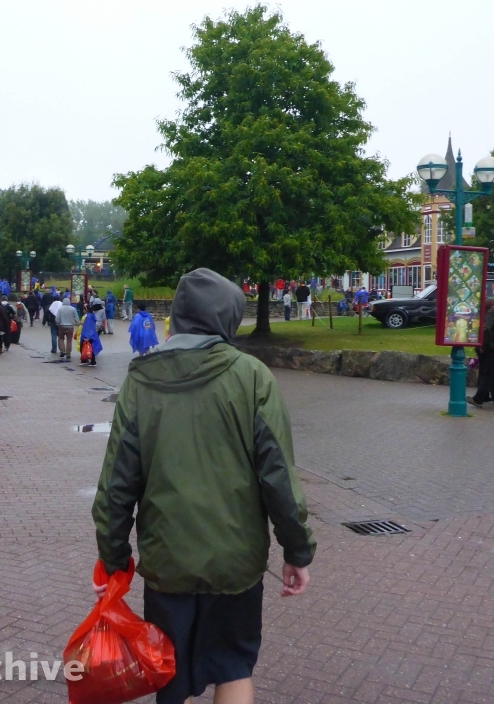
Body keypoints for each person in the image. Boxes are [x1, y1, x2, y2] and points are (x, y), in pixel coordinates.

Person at [92, 268, 315, 704]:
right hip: (236, 562)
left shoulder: (140, 381)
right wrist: (297, 551)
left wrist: (113, 557)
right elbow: (279, 478)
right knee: (233, 666)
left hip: (168, 560)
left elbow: (117, 484)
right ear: (228, 319)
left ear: (177, 316)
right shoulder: (252, 377)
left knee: (167, 671)